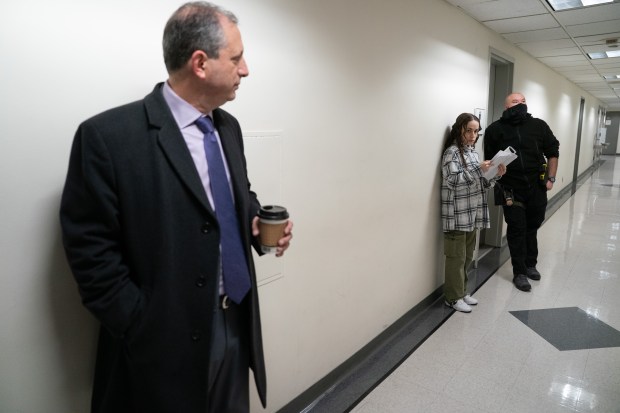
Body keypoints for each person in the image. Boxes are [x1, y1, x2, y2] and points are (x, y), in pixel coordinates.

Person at [59, 3, 293, 412]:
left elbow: (236, 196)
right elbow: (89, 251)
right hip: (163, 341)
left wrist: (254, 221)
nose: (246, 69)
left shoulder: (228, 127)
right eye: (236, 58)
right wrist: (141, 325)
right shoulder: (108, 138)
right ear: (200, 63)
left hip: (235, 321)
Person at [484, 93, 559, 292]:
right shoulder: (494, 130)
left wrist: (550, 178)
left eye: (524, 101)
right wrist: (495, 171)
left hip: (536, 186)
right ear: (506, 106)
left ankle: (530, 264)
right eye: (515, 102)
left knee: (532, 226)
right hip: (510, 188)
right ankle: (520, 272)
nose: (521, 104)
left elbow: (553, 151)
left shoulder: (539, 126)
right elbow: (488, 161)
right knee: (517, 228)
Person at [441, 113, 505, 313]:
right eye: (468, 130)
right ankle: (452, 298)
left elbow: (480, 183)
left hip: (472, 213)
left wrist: (494, 174)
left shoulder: (473, 153)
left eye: (476, 131)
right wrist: (479, 170)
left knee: (468, 256)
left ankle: (461, 292)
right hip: (457, 215)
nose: (472, 135)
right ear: (459, 129)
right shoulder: (452, 152)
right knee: (456, 258)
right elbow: (452, 180)